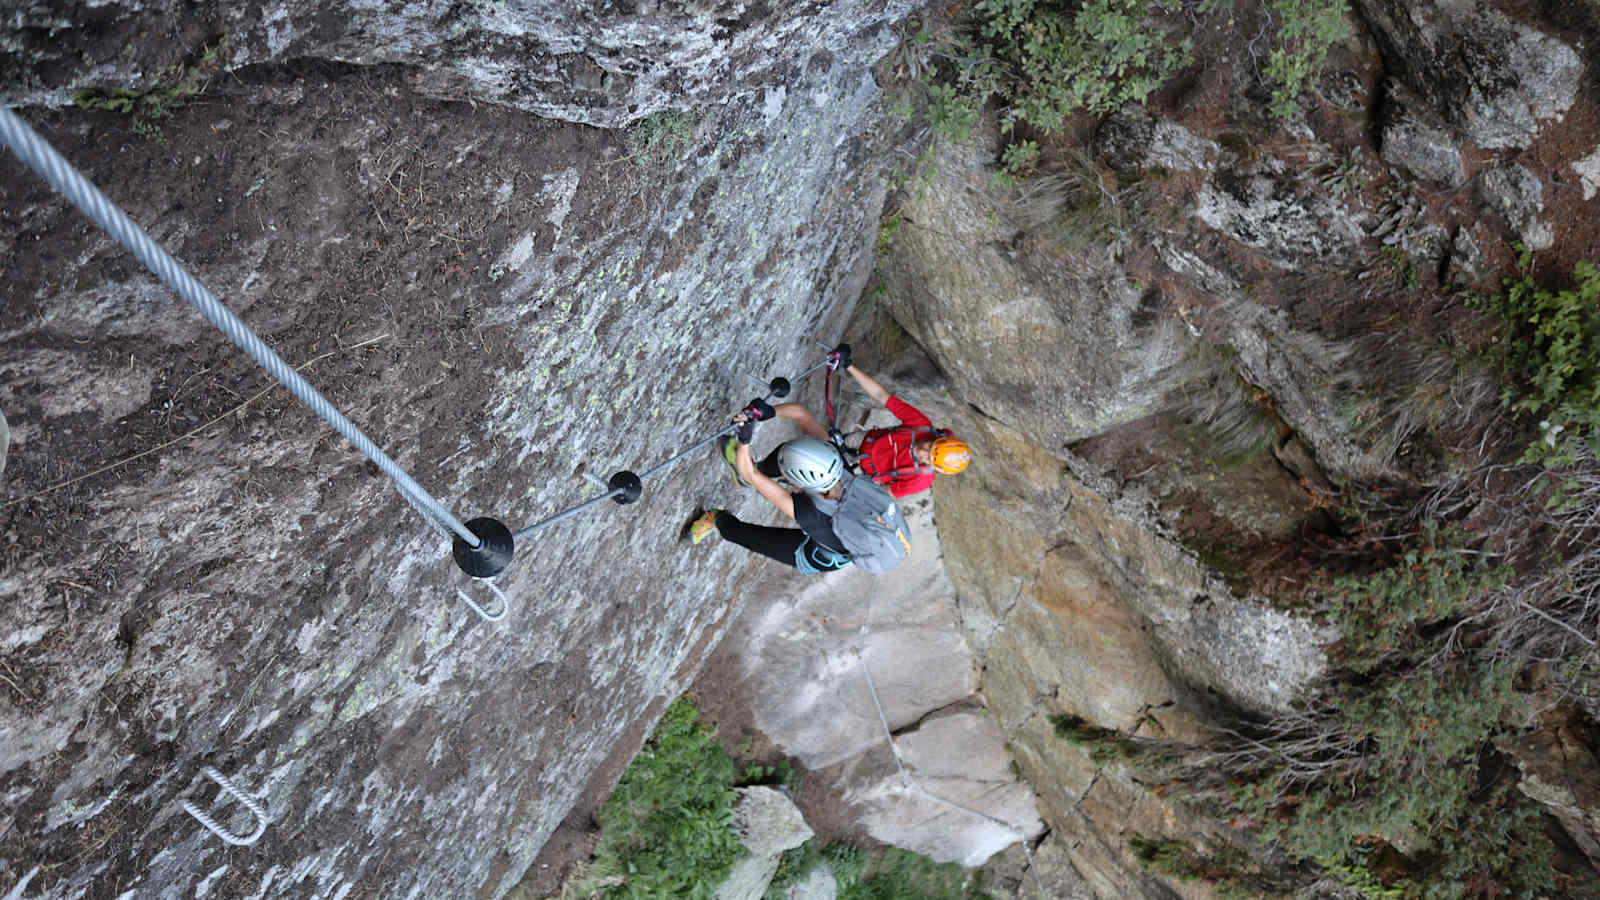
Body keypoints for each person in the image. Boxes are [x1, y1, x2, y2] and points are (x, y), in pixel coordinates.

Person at [720, 344, 970, 498]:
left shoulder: (919, 479)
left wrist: (836, 488)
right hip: (853, 445)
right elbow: (882, 395)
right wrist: (848, 366)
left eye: (927, 456)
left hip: (852, 472)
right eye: (930, 446)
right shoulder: (921, 427)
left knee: (798, 456)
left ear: (934, 468)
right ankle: (761, 414)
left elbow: (883, 494)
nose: (923, 449)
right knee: (799, 412)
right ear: (940, 438)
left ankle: (747, 472)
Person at [687, 402, 854, 574]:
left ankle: (715, 518)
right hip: (836, 521)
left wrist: (744, 442)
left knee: (738, 534)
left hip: (821, 554)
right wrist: (769, 411)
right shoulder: (835, 460)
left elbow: (750, 474)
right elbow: (802, 414)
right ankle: (758, 468)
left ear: (798, 484)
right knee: (784, 457)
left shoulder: (811, 515)